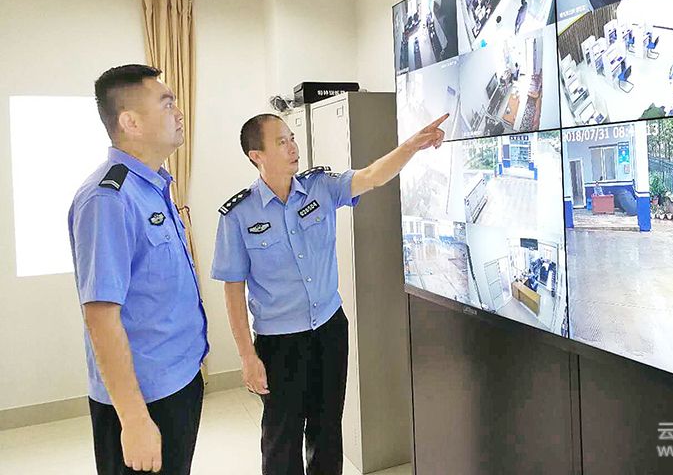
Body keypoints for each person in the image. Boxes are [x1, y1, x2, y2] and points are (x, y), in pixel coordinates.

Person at [211, 112, 448, 475]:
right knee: (281, 437)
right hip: (279, 343)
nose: (293, 147)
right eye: (281, 142)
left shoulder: (320, 187)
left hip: (329, 330)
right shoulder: (238, 215)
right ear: (256, 155)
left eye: (292, 138)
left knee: (327, 429)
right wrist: (247, 356)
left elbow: (373, 176)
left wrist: (412, 145)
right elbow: (233, 290)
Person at [68, 65, 208, 475]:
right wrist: (133, 421)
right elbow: (101, 316)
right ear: (130, 122)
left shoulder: (153, 186)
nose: (179, 113)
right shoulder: (108, 199)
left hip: (178, 379)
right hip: (144, 400)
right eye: (167, 104)